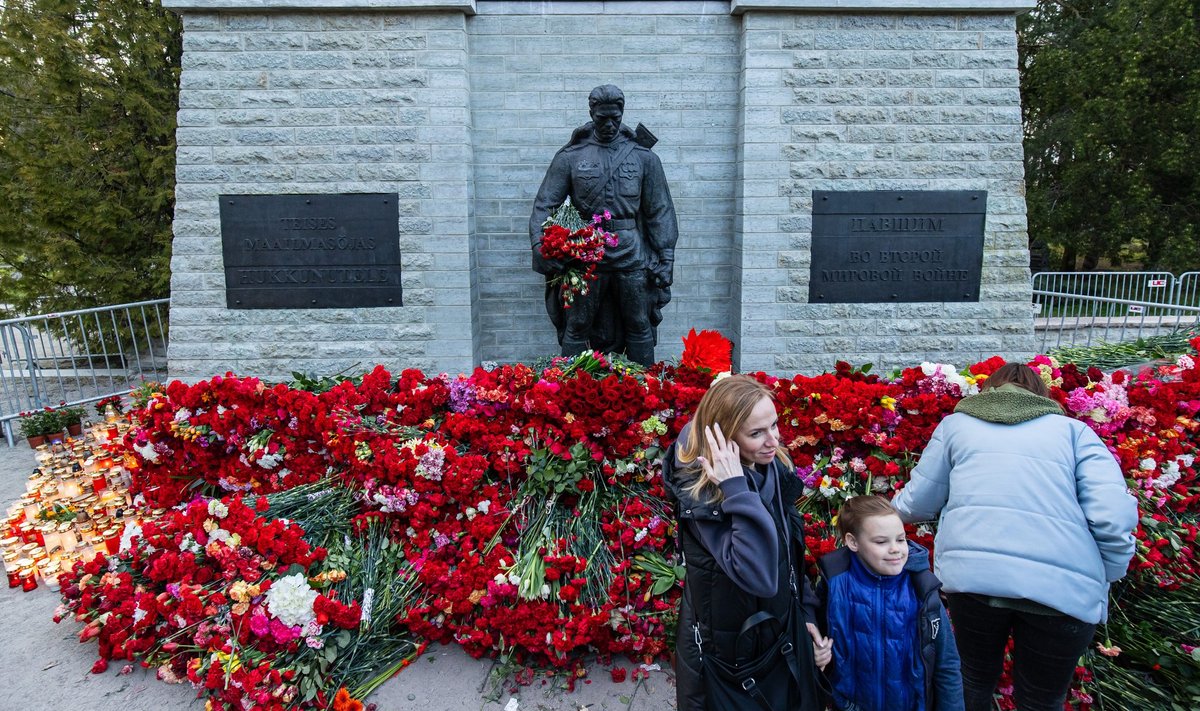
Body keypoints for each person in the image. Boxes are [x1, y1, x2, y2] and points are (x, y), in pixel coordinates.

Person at [891, 362, 1138, 711]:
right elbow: (1113, 517)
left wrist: (883, 511)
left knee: (971, 681)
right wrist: (1106, 573)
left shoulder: (957, 427)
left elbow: (917, 503)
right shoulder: (1075, 433)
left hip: (974, 582)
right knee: (1041, 700)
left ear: (989, 390)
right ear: (1041, 395)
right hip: (1061, 592)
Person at [662, 375, 830, 711]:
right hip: (735, 658)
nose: (774, 440)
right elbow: (759, 577)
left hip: (779, 637)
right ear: (724, 440)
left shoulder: (771, 467)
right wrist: (737, 490)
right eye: (757, 433)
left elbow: (787, 555)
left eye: (774, 425)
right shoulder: (705, 495)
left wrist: (806, 612)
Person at [529, 84, 678, 366]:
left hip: (631, 253)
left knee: (638, 321)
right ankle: (572, 390)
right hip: (585, 254)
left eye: (615, 118)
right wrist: (540, 245)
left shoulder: (644, 158)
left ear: (622, 114)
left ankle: (644, 390)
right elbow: (545, 204)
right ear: (592, 114)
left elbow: (660, 210)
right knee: (578, 323)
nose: (609, 124)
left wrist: (666, 256)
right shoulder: (570, 157)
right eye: (602, 118)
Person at [815, 495, 964, 711]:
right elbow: (816, 638)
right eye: (881, 541)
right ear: (853, 542)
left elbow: (946, 664)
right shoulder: (835, 584)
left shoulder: (921, 589)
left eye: (900, 539)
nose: (895, 549)